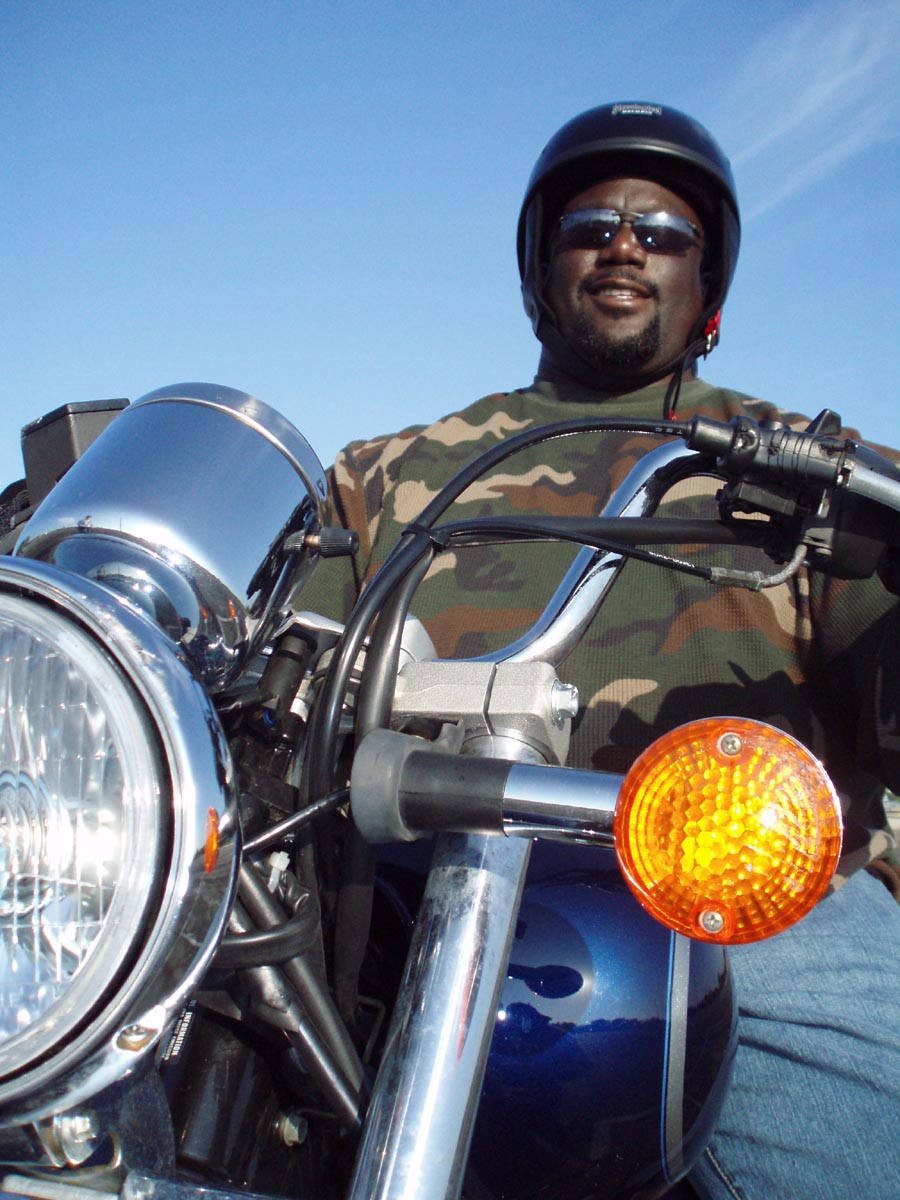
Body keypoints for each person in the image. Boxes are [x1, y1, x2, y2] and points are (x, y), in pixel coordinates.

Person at [310, 103, 900, 1197]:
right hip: (416, 872)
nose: (625, 246)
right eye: (590, 225)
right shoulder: (386, 470)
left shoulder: (821, 467)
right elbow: (287, 672)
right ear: (542, 266)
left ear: (706, 279)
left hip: (752, 896)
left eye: (663, 232)